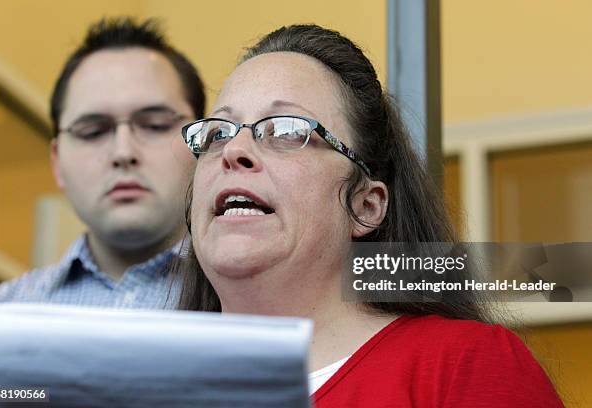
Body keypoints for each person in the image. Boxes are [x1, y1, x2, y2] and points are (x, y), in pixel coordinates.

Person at [178, 25, 564, 406]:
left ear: (366, 207)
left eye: (286, 130)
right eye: (218, 133)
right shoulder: (133, 386)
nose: (233, 150)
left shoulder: (464, 365)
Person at [0, 17, 204, 308]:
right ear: (57, 161)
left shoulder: (255, 303)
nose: (123, 152)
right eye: (93, 131)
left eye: (155, 125)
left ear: (203, 142)